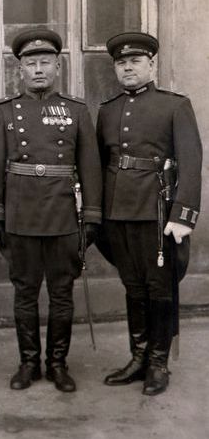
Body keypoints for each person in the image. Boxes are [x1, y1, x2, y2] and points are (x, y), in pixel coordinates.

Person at [0, 28, 102, 393]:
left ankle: (58, 364)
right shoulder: (5, 111)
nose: (38, 70)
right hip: (20, 215)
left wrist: (91, 215)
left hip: (63, 215)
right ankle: (29, 363)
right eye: (30, 63)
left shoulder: (76, 110)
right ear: (20, 69)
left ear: (57, 68)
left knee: (62, 293)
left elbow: (90, 167)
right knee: (25, 292)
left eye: (45, 63)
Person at [98, 32, 202, 396]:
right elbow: (100, 164)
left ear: (151, 64)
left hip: (157, 212)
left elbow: (191, 163)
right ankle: (138, 357)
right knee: (133, 285)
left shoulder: (175, 106)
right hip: (117, 212)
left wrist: (183, 215)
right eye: (121, 63)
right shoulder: (108, 110)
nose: (127, 68)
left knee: (159, 288)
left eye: (135, 61)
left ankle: (158, 363)